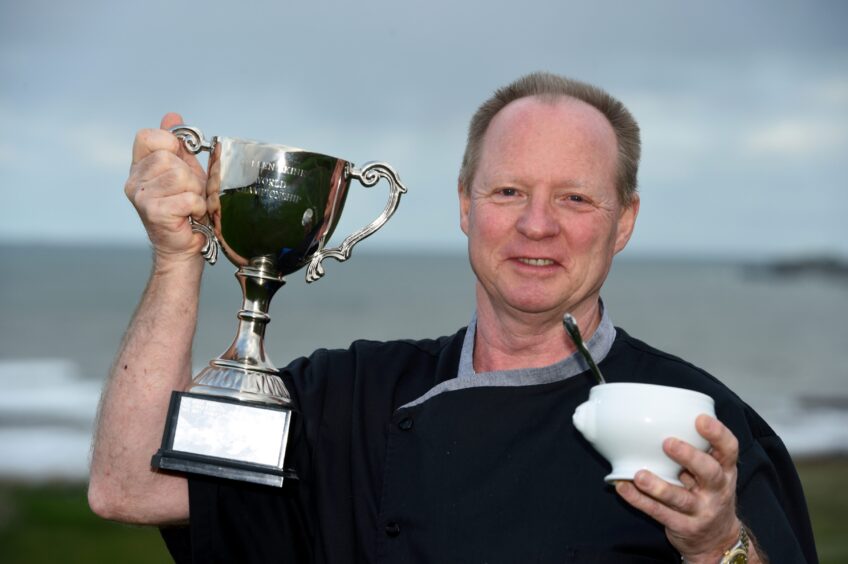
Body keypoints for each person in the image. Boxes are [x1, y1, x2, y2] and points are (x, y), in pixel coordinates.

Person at [89, 72, 817, 563]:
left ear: (623, 222)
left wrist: (716, 543)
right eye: (507, 192)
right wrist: (175, 260)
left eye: (575, 198)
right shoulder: (348, 396)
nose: (537, 226)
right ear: (465, 205)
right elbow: (128, 484)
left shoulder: (696, 424)